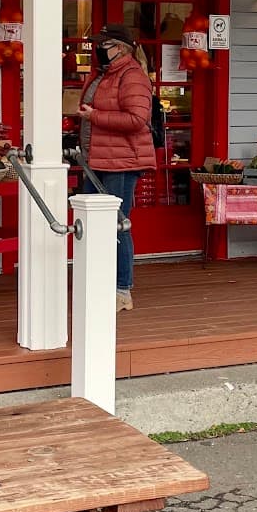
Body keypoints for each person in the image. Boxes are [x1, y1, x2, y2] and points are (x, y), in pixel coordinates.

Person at [77, 23, 156, 311]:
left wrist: (95, 115)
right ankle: (100, 284)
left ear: (119, 48)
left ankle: (122, 289)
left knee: (117, 225)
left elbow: (136, 119)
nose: (99, 49)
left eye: (104, 44)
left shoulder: (132, 76)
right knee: (94, 225)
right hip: (95, 159)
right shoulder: (104, 74)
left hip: (120, 162)